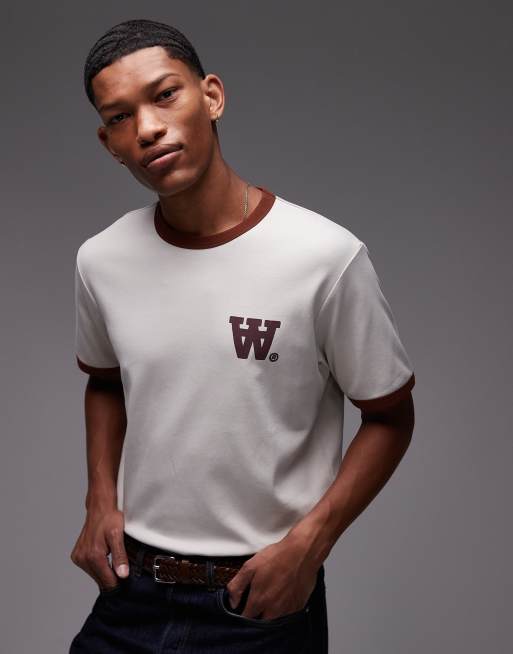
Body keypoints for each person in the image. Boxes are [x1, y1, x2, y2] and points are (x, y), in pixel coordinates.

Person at [68, 18, 416, 654]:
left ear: (212, 96)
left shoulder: (325, 257)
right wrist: (99, 501)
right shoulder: (102, 260)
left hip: (260, 601)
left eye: (164, 95)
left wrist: (310, 544)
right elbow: (105, 382)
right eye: (120, 117)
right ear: (108, 142)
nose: (147, 128)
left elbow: (391, 416)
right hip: (131, 590)